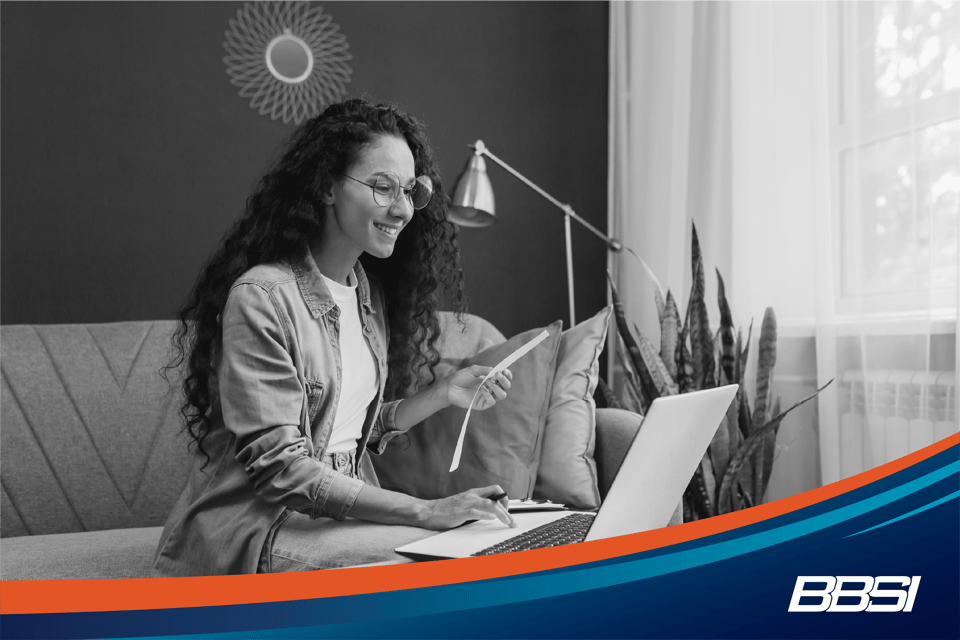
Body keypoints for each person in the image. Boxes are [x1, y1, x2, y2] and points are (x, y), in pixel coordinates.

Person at [154, 98, 515, 577]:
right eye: (382, 188)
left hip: (334, 520)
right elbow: (283, 468)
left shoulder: (365, 293)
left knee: (498, 547)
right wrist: (426, 511)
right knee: (432, 572)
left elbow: (347, 430)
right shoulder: (262, 297)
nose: (402, 209)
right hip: (263, 526)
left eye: (410, 191)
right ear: (325, 186)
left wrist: (444, 394)